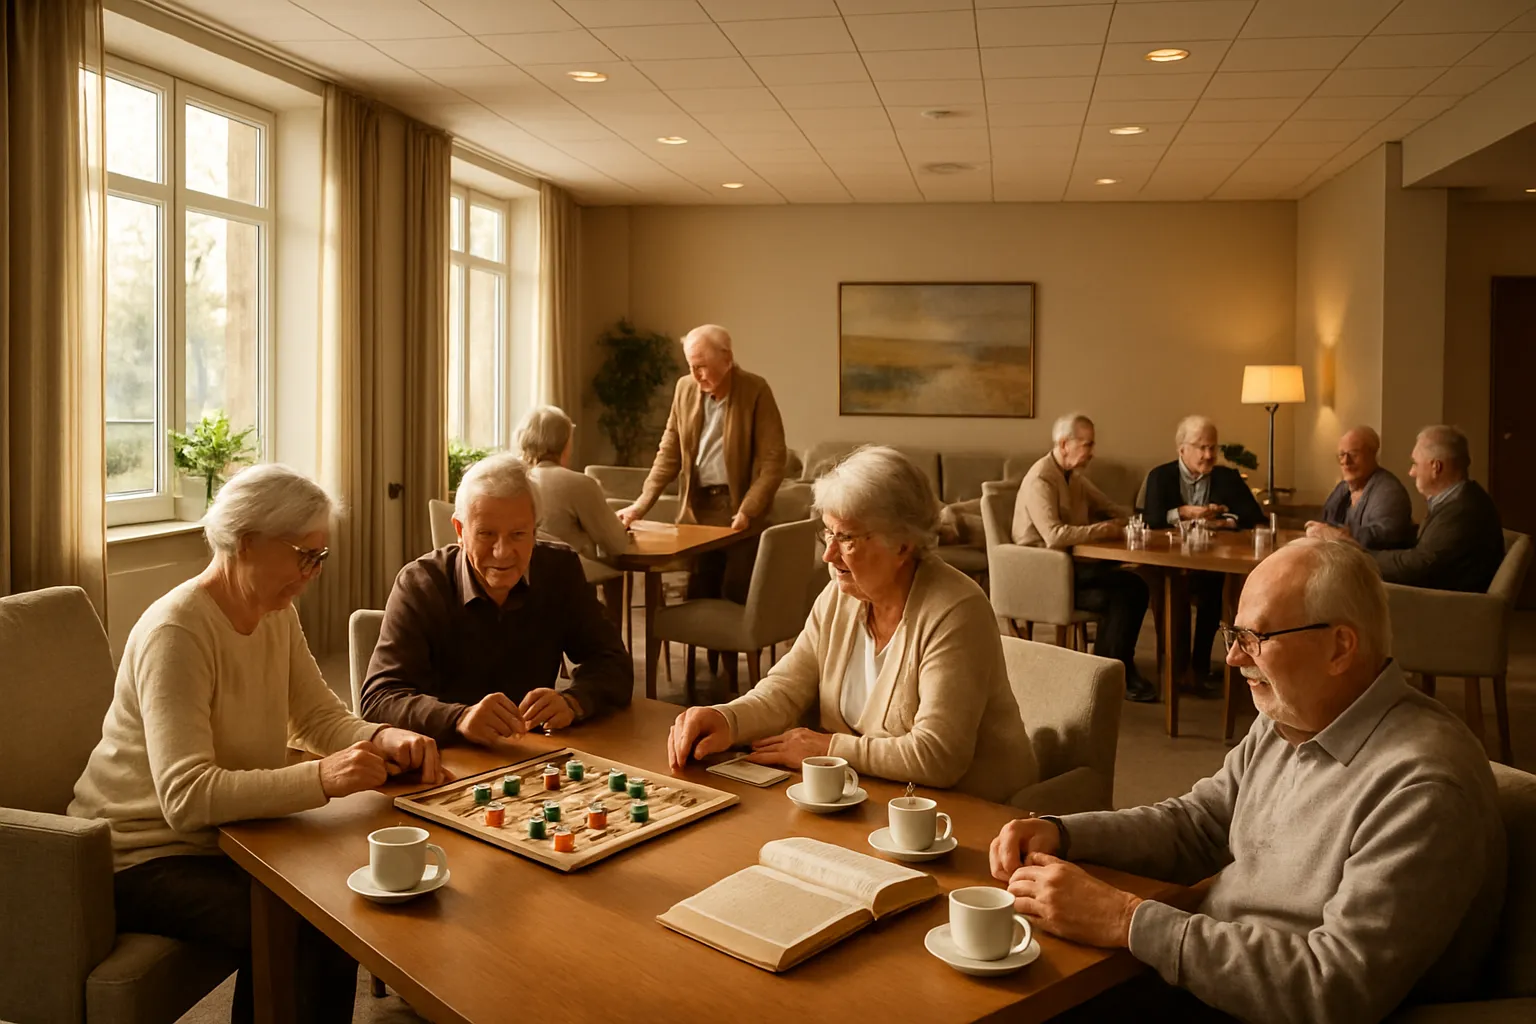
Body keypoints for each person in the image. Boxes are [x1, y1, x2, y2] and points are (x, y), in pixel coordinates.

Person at [987, 539, 1505, 1024]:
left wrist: (1127, 921)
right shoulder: (1291, 719)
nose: (1233, 657)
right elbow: (1197, 825)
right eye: (1233, 636)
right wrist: (1065, 832)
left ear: (1340, 647)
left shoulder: (1423, 788)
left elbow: (1336, 986)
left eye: (1255, 638)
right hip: (1208, 976)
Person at [69, 464, 448, 1024]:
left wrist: (383, 736)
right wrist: (321, 778)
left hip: (228, 837)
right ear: (246, 543)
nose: (313, 572)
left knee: (336, 898)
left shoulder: (275, 611)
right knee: (314, 922)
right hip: (141, 856)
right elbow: (187, 797)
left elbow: (318, 716)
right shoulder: (177, 631)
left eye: (320, 557)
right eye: (304, 555)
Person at [666, 446, 1038, 803]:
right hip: (876, 799)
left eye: (846, 537)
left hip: (974, 817)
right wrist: (726, 718)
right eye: (828, 533)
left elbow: (937, 756)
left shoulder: (956, 610)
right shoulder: (839, 597)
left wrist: (827, 748)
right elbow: (785, 690)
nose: (828, 554)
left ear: (903, 545)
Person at [360, 453, 631, 746]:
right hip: (445, 759)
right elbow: (379, 699)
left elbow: (613, 662)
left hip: (534, 756)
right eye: (487, 534)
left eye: (518, 534)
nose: (502, 552)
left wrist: (574, 701)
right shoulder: (420, 585)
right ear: (460, 531)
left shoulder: (559, 571)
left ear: (535, 531)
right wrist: (458, 718)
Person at [617, 324, 786, 604]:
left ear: (727, 359)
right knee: (698, 593)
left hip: (738, 511)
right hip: (697, 508)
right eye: (691, 367)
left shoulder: (755, 389)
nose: (696, 375)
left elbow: (773, 461)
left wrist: (749, 509)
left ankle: (732, 650)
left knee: (732, 594)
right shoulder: (685, 388)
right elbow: (668, 452)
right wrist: (640, 505)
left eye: (703, 367)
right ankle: (702, 646)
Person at [1012, 413, 1157, 703]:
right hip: (1045, 574)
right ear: (1064, 444)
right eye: (1087, 444)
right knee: (1124, 592)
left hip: (1072, 567)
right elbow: (1053, 535)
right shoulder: (1041, 478)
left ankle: (1115, 669)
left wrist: (1135, 521)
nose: (1092, 452)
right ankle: (1107, 674)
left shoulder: (1073, 478)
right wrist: (1103, 529)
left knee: (1136, 583)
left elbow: (1109, 507)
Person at [1141, 415, 1266, 695]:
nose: (1209, 455)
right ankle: (1176, 667)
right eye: (1201, 447)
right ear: (1181, 448)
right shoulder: (1161, 476)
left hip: (1211, 563)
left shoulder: (1227, 477)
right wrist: (1183, 513)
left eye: (1212, 447)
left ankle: (1198, 667)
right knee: (1173, 593)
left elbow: (1253, 516)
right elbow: (1150, 519)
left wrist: (1223, 521)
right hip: (1167, 563)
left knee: (1214, 591)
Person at [1369, 425, 1505, 593]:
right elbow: (1430, 546)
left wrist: (1363, 558)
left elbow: (1421, 565)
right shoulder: (1459, 499)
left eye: (1415, 464)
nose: (1411, 472)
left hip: (1446, 607)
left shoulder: (1464, 511)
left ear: (1436, 467)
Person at [517, 404, 629, 563]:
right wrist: (619, 525)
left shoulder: (511, 479)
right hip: (565, 572)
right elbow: (616, 545)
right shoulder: (580, 484)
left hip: (520, 569)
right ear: (565, 444)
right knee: (613, 565)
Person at [1305, 426, 1415, 550]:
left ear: (1372, 454)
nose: (1346, 461)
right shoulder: (1343, 487)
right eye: (1342, 455)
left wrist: (1338, 534)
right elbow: (1324, 521)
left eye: (1353, 454)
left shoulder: (1389, 492)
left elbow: (1382, 538)